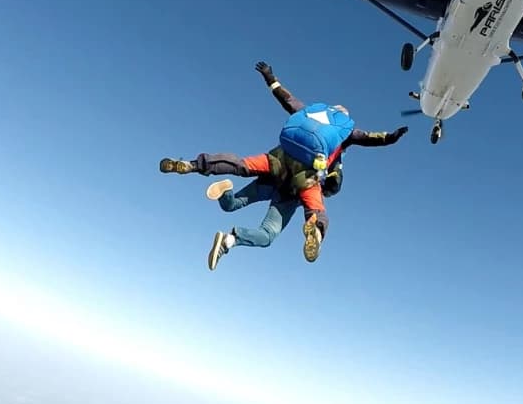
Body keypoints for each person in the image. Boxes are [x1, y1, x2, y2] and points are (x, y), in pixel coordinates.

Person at [160, 61, 408, 270]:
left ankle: (196, 170)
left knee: (239, 172)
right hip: (301, 184)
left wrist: (270, 77)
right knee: (280, 229)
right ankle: (314, 229)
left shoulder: (308, 112)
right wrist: (391, 137)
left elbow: (286, 99)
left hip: (276, 163)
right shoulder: (346, 135)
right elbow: (370, 139)